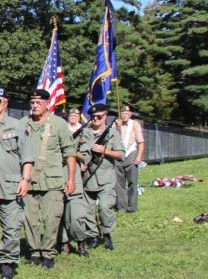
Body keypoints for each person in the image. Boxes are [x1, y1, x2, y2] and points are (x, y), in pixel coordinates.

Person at [0, 87, 34, 279]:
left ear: (6, 103)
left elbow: (27, 156)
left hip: (11, 184)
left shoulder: (17, 126)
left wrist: (25, 179)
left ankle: (8, 262)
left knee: (11, 227)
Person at [22, 89, 78, 269]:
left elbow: (70, 152)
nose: (35, 105)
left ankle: (48, 253)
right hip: (28, 181)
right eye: (32, 102)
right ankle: (34, 252)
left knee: (51, 219)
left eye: (39, 102)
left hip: (52, 180)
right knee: (29, 219)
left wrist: (71, 179)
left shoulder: (59, 124)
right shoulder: (23, 124)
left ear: (47, 103)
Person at [76, 104, 124, 250]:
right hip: (87, 178)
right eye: (93, 117)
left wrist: (105, 150)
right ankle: (93, 236)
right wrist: (80, 161)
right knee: (88, 210)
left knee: (104, 207)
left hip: (106, 178)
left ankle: (107, 234)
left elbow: (121, 155)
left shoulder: (112, 133)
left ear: (105, 116)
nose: (96, 119)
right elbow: (73, 150)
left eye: (99, 116)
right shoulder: (84, 132)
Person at [58, 107, 95, 256]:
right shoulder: (59, 131)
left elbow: (86, 155)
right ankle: (63, 244)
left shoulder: (84, 132)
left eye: (75, 115)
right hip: (57, 174)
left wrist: (70, 150)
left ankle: (81, 243)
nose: (73, 117)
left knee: (77, 214)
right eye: (71, 115)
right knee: (59, 214)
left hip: (74, 175)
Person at [114, 103, 145, 212]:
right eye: (122, 113)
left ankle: (132, 207)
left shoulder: (135, 124)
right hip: (118, 155)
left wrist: (139, 157)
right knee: (119, 183)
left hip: (131, 153)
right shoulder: (116, 125)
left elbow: (141, 142)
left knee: (132, 182)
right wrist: (116, 127)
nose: (124, 115)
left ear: (130, 114)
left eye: (126, 113)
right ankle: (121, 207)